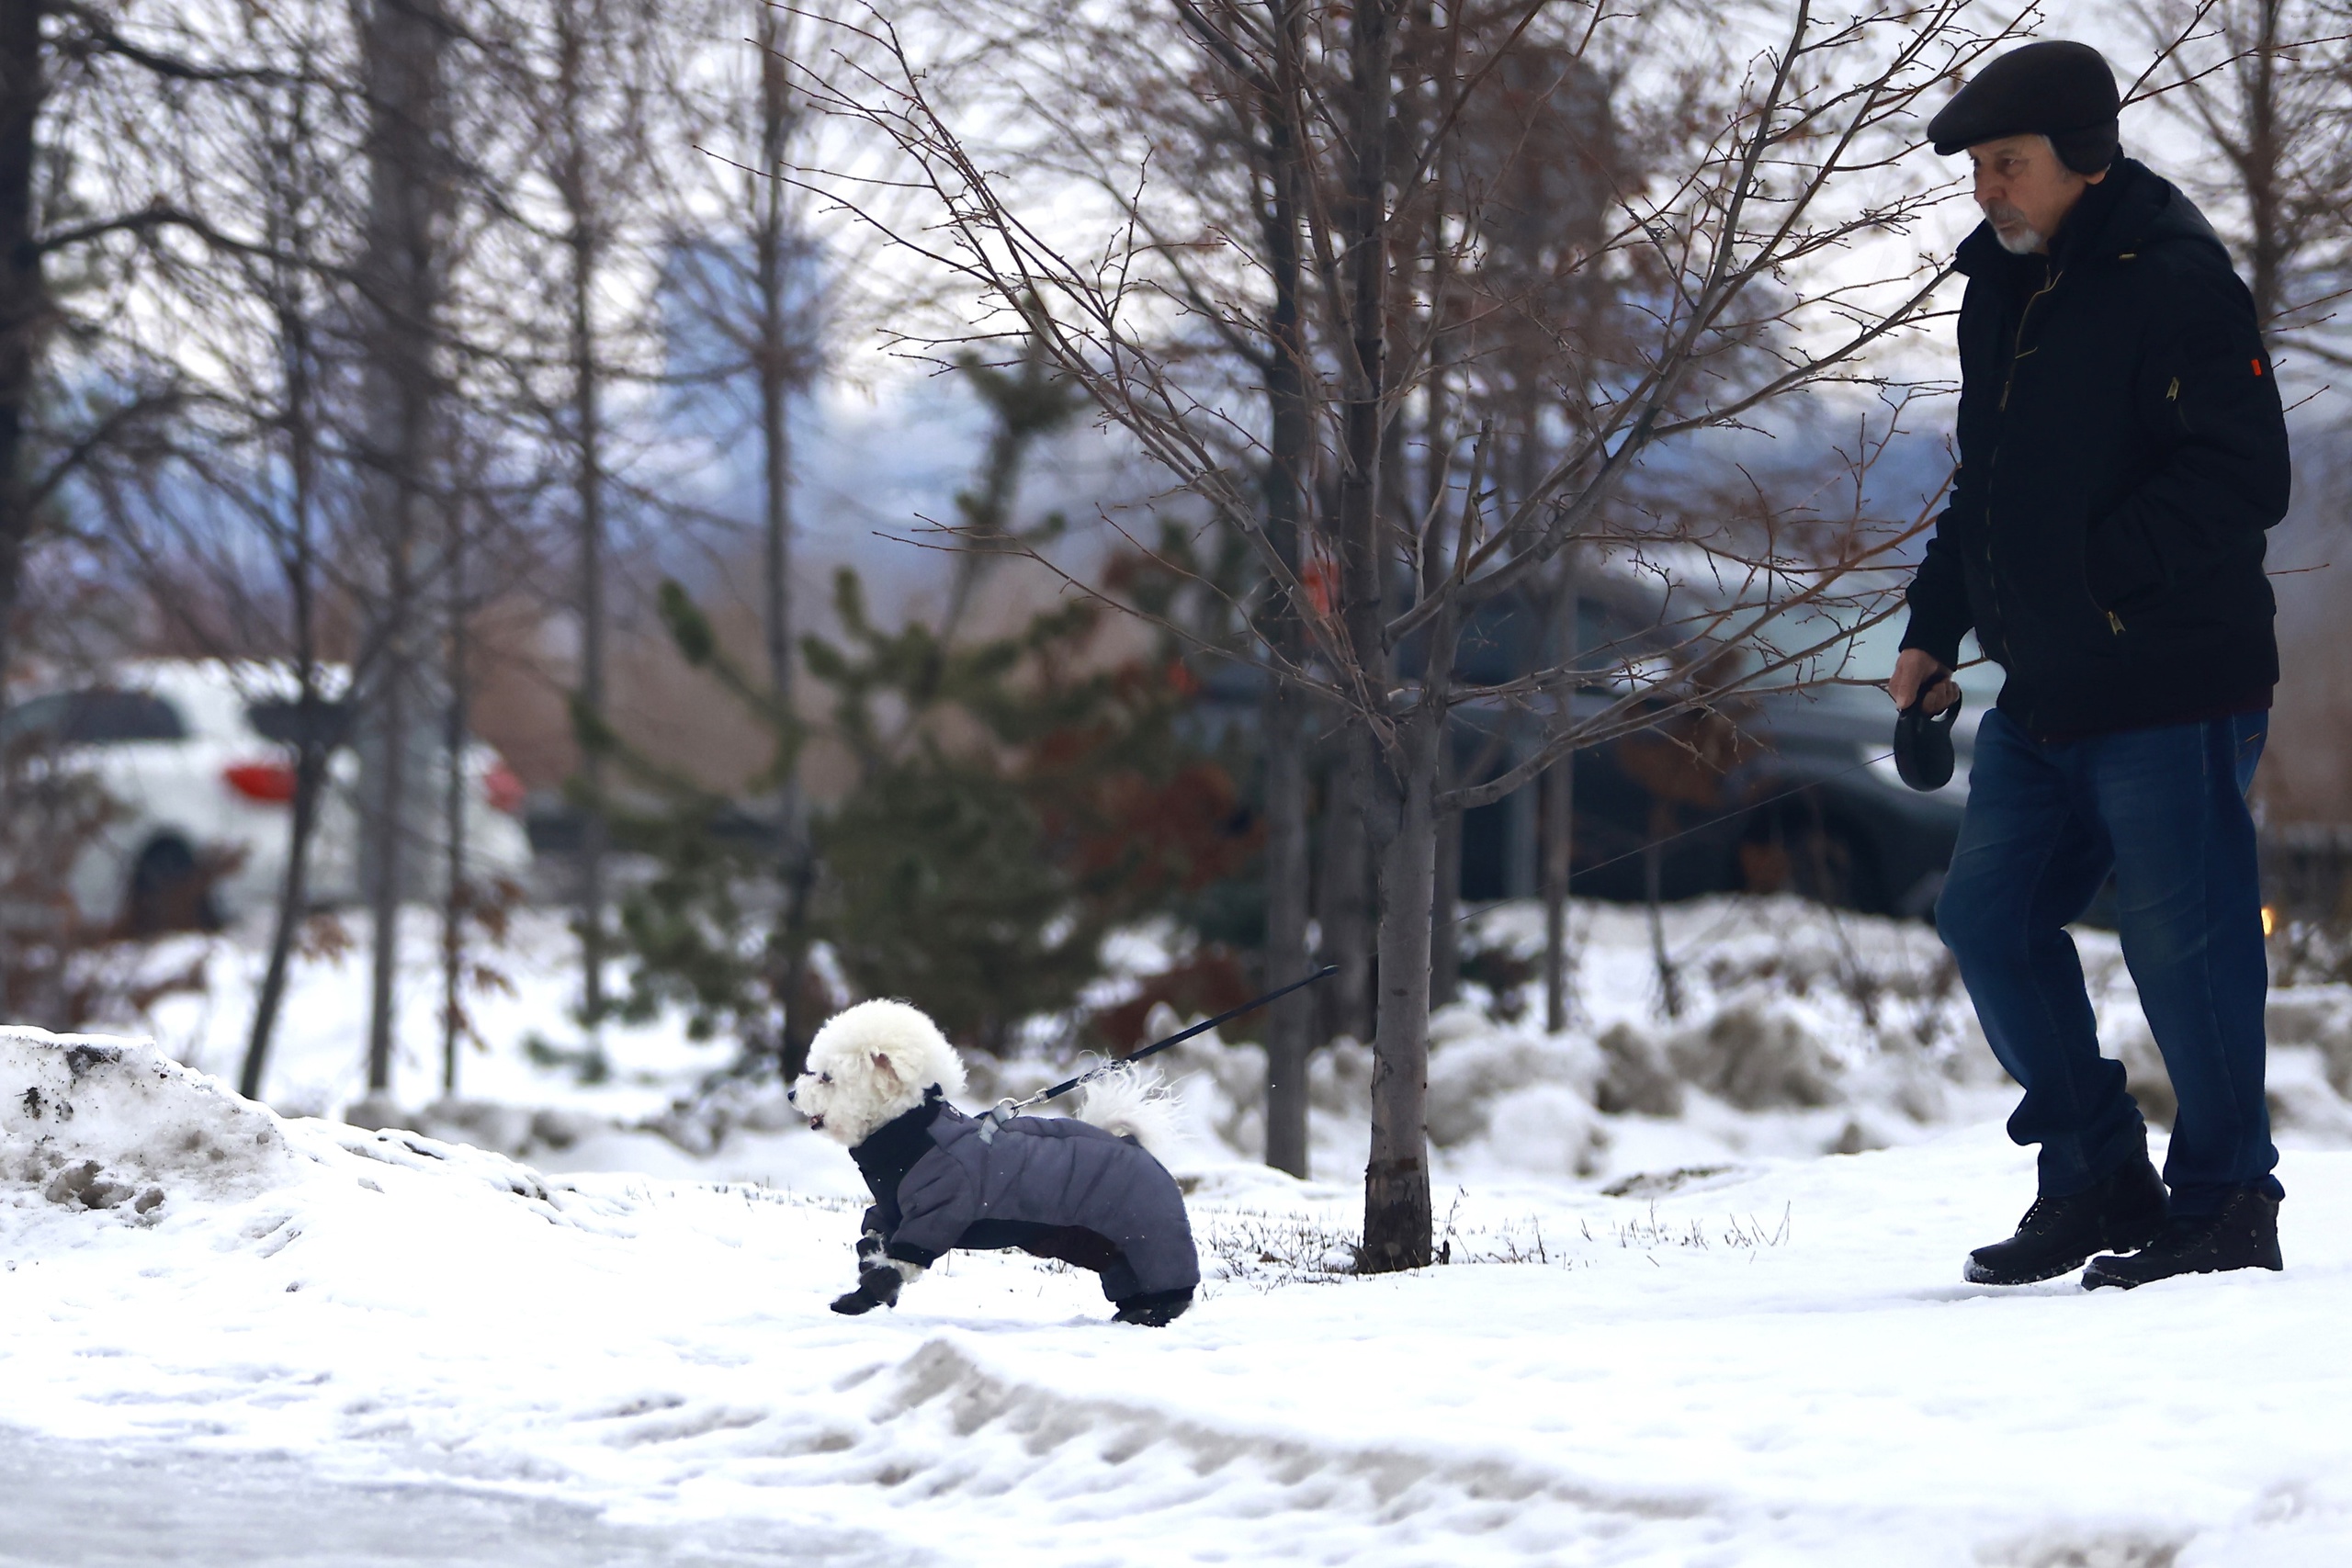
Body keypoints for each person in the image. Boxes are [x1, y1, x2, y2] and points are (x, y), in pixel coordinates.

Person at [1892, 40, 2290, 1290]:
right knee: (1989, 917)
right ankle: (2096, 1170)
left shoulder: (2177, 282)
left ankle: (2228, 1202)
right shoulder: (2001, 289)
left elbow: (2245, 478)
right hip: (2046, 692)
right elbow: (1988, 487)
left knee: (2186, 943)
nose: (1986, 191)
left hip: (2172, 686)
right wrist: (1930, 630)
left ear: (2085, 156)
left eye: (2007, 166)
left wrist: (2085, 580)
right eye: (1978, 170)